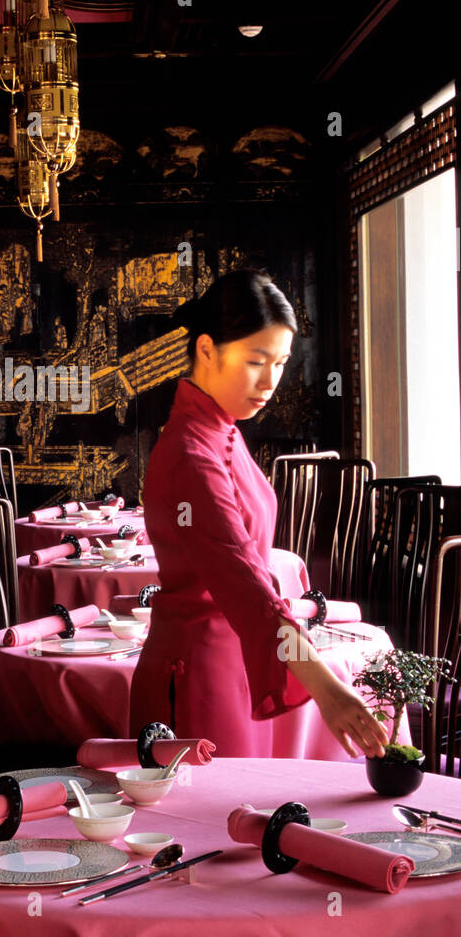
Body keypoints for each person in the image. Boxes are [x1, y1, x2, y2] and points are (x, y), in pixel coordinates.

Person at [128, 269, 388, 759]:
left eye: (281, 363)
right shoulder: (192, 452)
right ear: (206, 349)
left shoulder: (220, 429)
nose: (270, 381)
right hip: (196, 674)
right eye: (255, 361)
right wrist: (327, 688)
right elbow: (245, 583)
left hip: (234, 659)